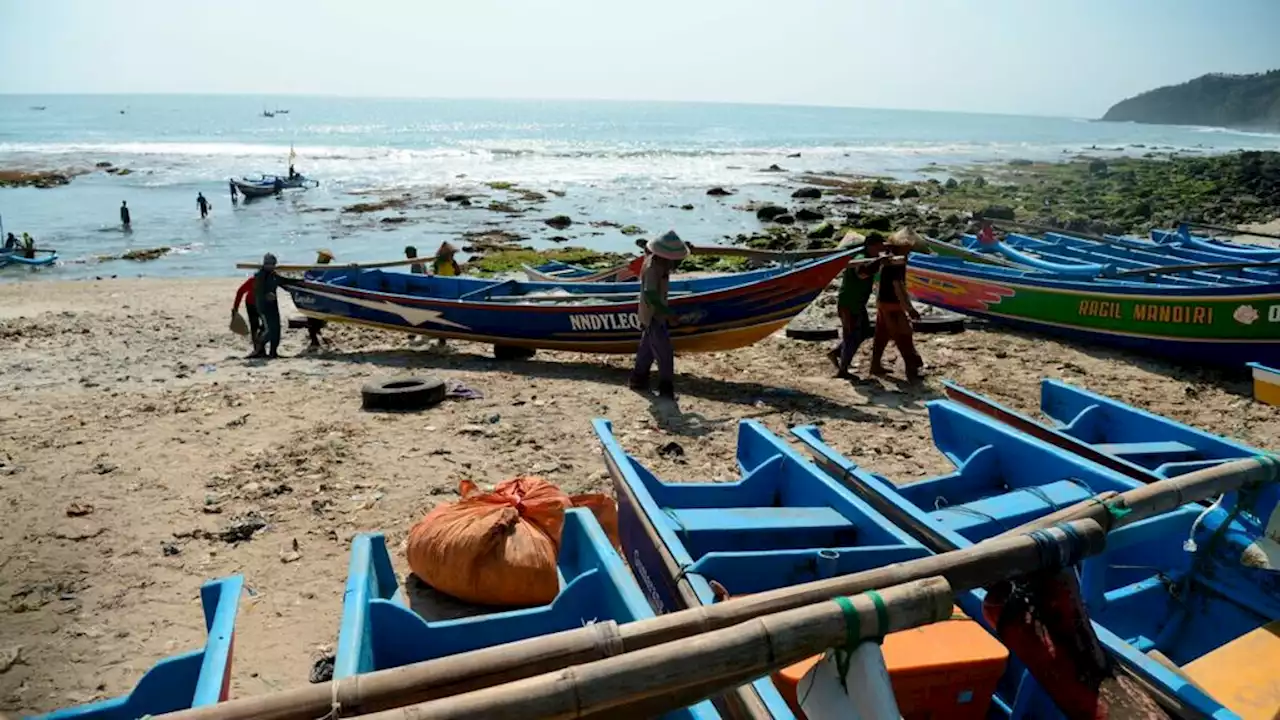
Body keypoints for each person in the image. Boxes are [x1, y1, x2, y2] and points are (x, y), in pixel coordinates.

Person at [630, 230, 688, 400]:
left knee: (646, 351)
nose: (677, 264)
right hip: (653, 315)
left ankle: (637, 381)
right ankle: (666, 390)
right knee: (665, 354)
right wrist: (668, 314)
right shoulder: (652, 268)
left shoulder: (662, 263)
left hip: (653, 315)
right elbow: (650, 294)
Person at [828, 231, 887, 379]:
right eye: (879, 247)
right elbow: (862, 274)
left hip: (858, 303)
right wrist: (880, 261)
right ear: (871, 246)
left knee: (864, 331)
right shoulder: (860, 258)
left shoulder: (870, 257)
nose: (880, 250)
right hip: (849, 303)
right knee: (851, 335)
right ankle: (843, 370)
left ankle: (836, 353)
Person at [869, 229, 924, 382]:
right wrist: (909, 308)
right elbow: (898, 286)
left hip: (882, 300)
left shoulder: (887, 256)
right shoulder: (897, 261)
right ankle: (911, 370)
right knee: (904, 335)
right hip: (892, 302)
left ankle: (875, 365)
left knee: (882, 334)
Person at [253, 253, 282, 359]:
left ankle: (273, 352)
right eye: (269, 264)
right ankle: (259, 349)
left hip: (273, 306)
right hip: (264, 307)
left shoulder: (274, 275)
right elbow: (258, 290)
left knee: (277, 330)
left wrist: (300, 283)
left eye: (273, 264)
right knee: (269, 330)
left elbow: (283, 282)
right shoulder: (259, 275)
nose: (271, 266)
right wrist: (266, 295)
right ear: (264, 264)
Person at [305, 249, 334, 351]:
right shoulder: (314, 268)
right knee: (312, 318)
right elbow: (307, 278)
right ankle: (314, 340)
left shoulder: (328, 270)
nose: (325, 260)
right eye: (324, 258)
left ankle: (316, 336)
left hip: (322, 296)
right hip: (313, 295)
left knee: (320, 319)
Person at [232, 274, 260, 357]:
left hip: (263, 304)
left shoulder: (270, 279)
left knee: (265, 327)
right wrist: (235, 308)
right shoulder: (252, 280)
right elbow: (240, 291)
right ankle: (256, 349)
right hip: (251, 303)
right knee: (254, 326)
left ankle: (260, 347)